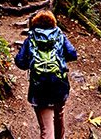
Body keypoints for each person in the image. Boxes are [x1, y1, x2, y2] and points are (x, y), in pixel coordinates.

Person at [15, 10, 77, 139]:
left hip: (39, 88)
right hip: (59, 85)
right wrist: (60, 59)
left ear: (35, 23)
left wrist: (32, 64)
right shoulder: (60, 35)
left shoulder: (30, 38)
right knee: (59, 115)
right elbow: (72, 54)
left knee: (46, 129)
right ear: (52, 22)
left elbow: (20, 62)